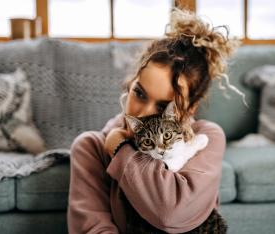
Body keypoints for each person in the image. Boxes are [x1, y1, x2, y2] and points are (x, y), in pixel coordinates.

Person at [67, 7, 246, 234]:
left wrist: (121, 150)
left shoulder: (207, 139)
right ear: (131, 83)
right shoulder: (91, 147)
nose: (142, 113)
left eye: (162, 106)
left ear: (189, 109)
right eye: (139, 93)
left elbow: (171, 214)